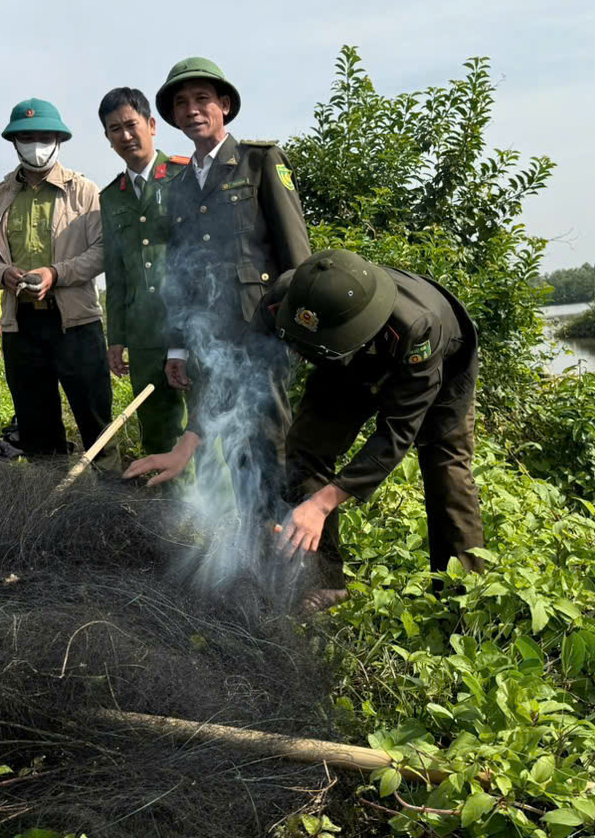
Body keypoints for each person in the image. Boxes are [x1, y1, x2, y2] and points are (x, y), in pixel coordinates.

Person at [127, 249, 483, 605]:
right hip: (343, 363)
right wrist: (188, 443)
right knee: (304, 453)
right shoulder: (286, 297)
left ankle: (462, 601)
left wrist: (323, 504)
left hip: (440, 367)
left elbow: (396, 435)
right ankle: (327, 581)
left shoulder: (416, 328)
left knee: (446, 473)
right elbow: (242, 373)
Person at [152, 57, 311, 504]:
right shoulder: (179, 185)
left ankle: (280, 551)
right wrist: (179, 348)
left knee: (268, 444)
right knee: (224, 446)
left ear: (224, 104)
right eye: (181, 103)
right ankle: (247, 548)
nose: (192, 109)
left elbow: (297, 256)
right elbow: (178, 277)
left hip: (261, 334)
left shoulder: (259, 162)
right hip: (208, 347)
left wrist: (297, 332)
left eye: (202, 99)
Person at [0, 98, 118, 469]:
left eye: (43, 137)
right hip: (21, 326)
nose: (35, 145)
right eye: (26, 138)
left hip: (76, 323)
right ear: (14, 143)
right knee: (37, 427)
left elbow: (103, 251)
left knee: (96, 420)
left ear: (58, 140)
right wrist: (2, 274)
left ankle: (114, 504)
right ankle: (51, 509)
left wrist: (56, 273)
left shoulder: (84, 191)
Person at [97, 87, 190, 457]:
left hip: (191, 323)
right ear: (107, 139)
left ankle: (214, 515)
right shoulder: (111, 196)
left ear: (152, 125)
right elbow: (115, 273)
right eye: (114, 129)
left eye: (132, 125)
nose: (125, 135)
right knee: (156, 428)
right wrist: (116, 337)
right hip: (144, 332)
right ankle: (168, 513)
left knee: (203, 429)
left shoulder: (185, 176)